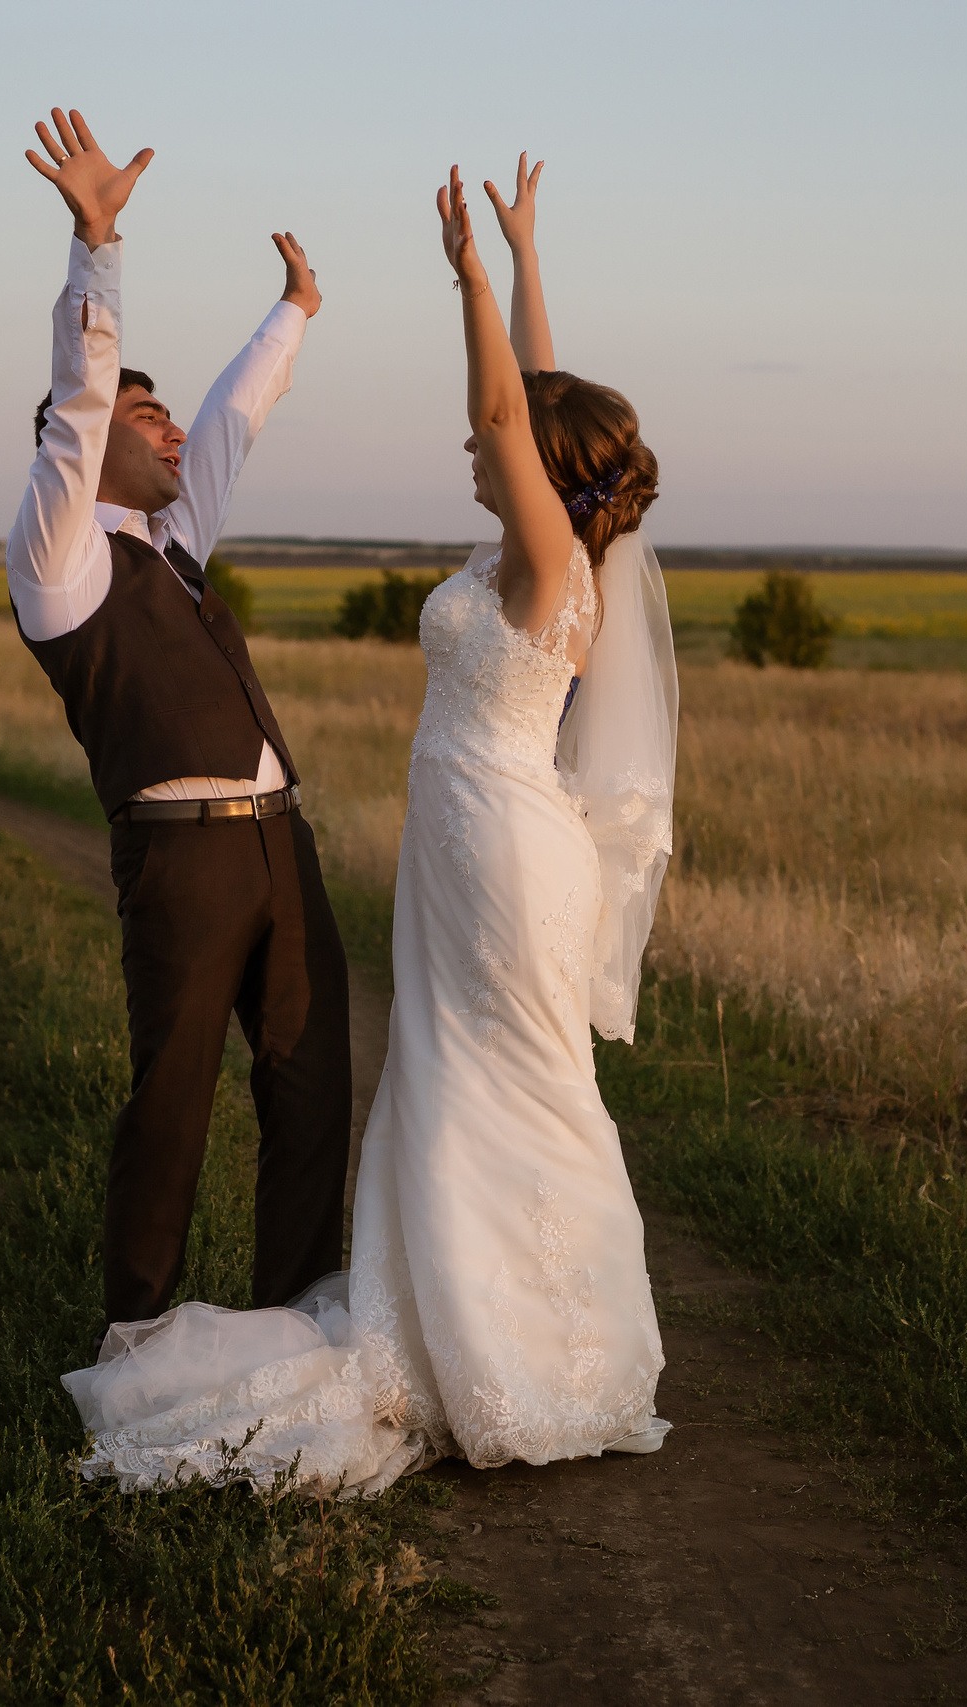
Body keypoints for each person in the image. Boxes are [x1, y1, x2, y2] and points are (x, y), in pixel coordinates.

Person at [64, 154, 680, 1495]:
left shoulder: (546, 559)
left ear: (543, 471)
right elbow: (542, 397)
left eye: (498, 444)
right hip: (479, 842)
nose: (475, 445)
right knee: (480, 1072)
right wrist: (520, 259)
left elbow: (514, 408)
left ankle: (513, 1346)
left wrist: (462, 278)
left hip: (504, 848)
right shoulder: (552, 546)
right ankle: (516, 1330)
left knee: (500, 1075)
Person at [6, 108, 351, 1345]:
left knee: (311, 1093)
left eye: (165, 419)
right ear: (89, 453)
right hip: (183, 858)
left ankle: (305, 1327)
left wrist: (295, 310)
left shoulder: (176, 544)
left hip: (278, 842)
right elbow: (82, 399)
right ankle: (135, 1341)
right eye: (143, 422)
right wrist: (96, 251)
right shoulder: (62, 562)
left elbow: (235, 417)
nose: (170, 432)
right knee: (173, 1104)